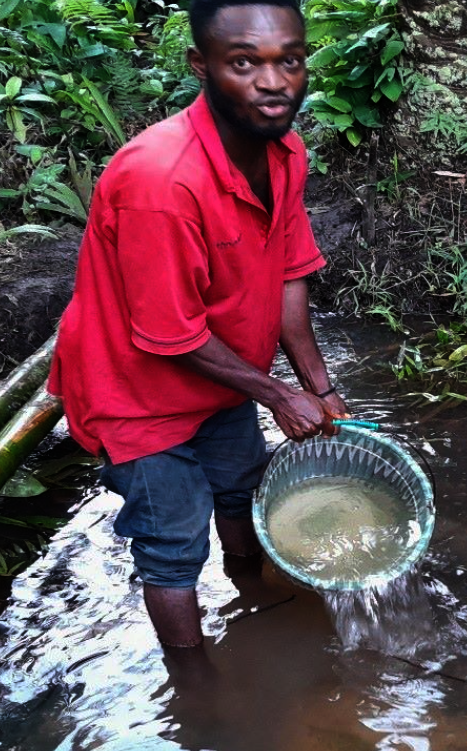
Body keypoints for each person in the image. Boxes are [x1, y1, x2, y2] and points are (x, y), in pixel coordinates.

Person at [48, 0, 347, 651]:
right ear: (201, 66)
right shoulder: (160, 180)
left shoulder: (282, 151)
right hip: (137, 394)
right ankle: (196, 690)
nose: (273, 82)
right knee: (173, 544)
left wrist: (318, 389)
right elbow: (169, 335)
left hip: (222, 376)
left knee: (242, 490)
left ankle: (253, 590)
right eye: (244, 63)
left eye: (288, 61)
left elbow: (290, 275)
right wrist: (276, 393)